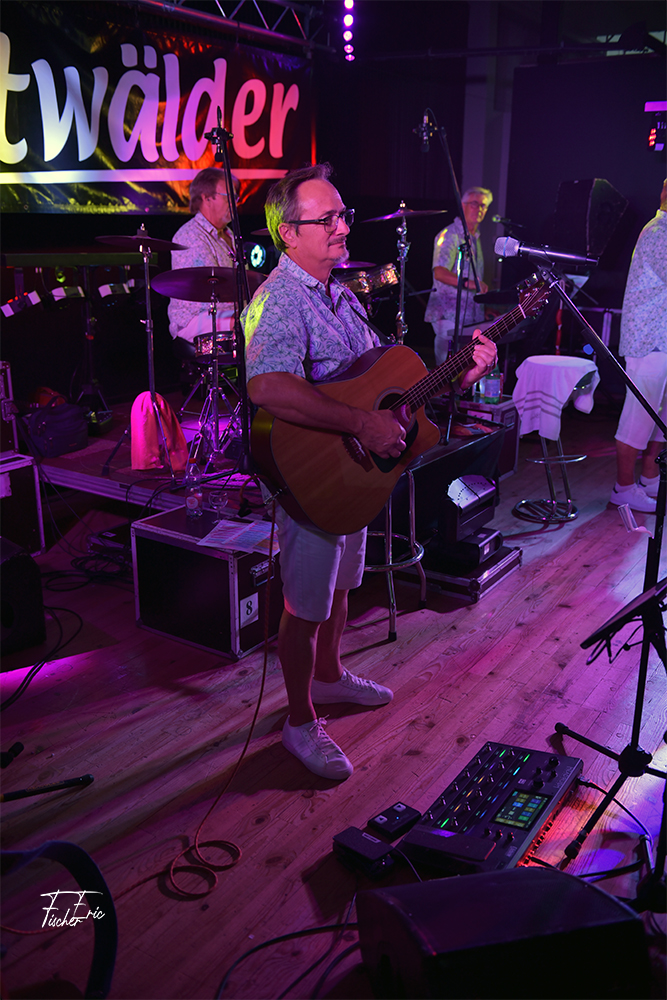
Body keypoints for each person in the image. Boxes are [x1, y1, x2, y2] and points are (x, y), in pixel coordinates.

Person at [242, 164, 497, 780]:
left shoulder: (340, 294)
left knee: (338, 587)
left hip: (355, 477)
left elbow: (388, 391)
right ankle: (299, 720)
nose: (342, 226)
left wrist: (456, 377)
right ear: (288, 233)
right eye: (326, 218)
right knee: (304, 605)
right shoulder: (279, 300)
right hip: (314, 477)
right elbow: (267, 387)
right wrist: (361, 424)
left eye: (342, 214)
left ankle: (329, 676)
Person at [610, 178, 667, 513]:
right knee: (639, 417)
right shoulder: (659, 233)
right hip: (649, 341)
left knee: (661, 415)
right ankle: (623, 488)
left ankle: (649, 476)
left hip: (662, 340)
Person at [168, 167, 240, 348]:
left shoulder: (228, 234)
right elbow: (210, 292)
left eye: (236, 197)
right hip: (195, 320)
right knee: (254, 325)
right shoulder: (191, 236)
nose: (234, 203)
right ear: (207, 198)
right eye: (229, 197)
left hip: (224, 314)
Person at [424, 186, 493, 366]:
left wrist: (483, 308)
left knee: (467, 372)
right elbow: (439, 272)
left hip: (469, 317)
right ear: (463, 206)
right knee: (448, 372)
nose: (479, 209)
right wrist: (471, 283)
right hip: (449, 315)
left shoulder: (474, 237)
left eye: (483, 206)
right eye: (474, 204)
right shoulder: (450, 235)